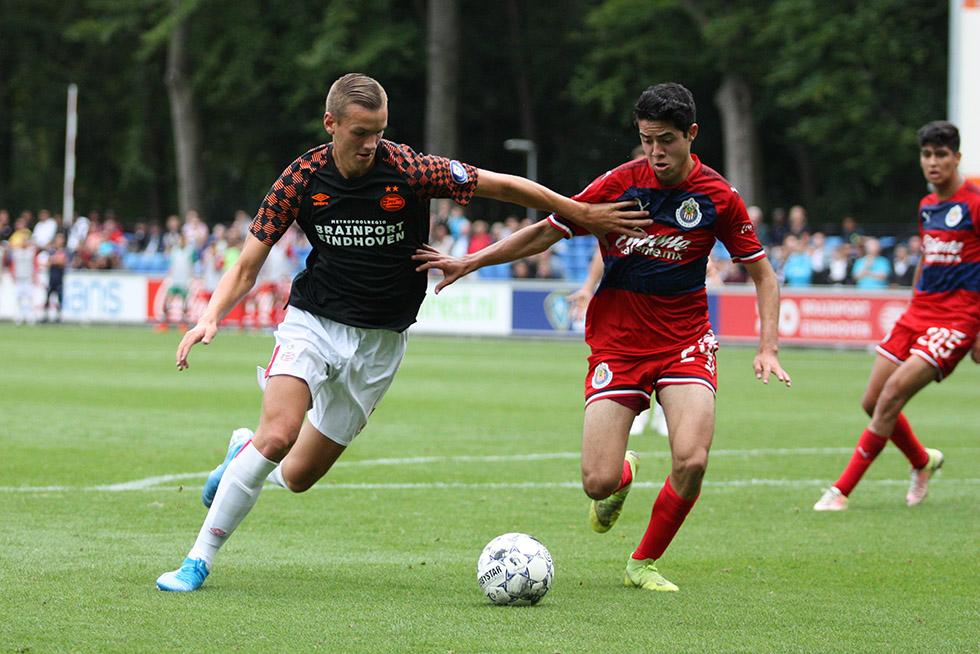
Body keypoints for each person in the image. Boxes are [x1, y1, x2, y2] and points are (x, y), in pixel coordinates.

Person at [155, 72, 649, 592]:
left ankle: (241, 454)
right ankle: (198, 560)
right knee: (277, 434)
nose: (372, 144)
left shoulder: (410, 168)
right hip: (313, 323)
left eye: (379, 131)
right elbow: (248, 264)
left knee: (298, 477)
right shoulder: (301, 179)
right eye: (360, 132)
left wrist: (579, 212)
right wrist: (210, 315)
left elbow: (503, 184)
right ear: (331, 124)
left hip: (381, 341)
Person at [415, 82, 791, 592]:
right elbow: (548, 229)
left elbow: (764, 274)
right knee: (598, 481)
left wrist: (767, 347)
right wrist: (473, 259)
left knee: (693, 459)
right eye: (647, 139)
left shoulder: (718, 197)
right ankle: (624, 476)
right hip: (618, 343)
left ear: (692, 135)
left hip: (686, 343)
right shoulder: (619, 183)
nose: (656, 152)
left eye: (667, 141)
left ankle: (644, 562)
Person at [813, 120, 980, 511]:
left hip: (958, 319)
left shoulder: (974, 203)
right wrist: (912, 305)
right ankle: (922, 463)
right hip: (918, 313)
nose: (933, 162)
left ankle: (840, 492)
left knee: (890, 397)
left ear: (957, 158)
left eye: (941, 155)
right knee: (872, 401)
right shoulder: (927, 206)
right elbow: (927, 257)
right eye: (927, 154)